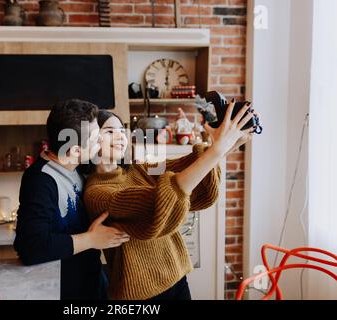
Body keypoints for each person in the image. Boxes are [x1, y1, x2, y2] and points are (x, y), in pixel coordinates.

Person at [83, 100, 255, 300]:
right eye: (110, 131)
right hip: (141, 293)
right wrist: (217, 150)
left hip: (176, 276)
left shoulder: (138, 169)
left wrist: (224, 147)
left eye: (122, 130)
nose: (120, 136)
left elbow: (184, 167)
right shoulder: (96, 193)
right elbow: (155, 203)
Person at [13, 99, 130, 300]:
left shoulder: (77, 167)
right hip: (64, 291)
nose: (101, 142)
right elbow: (31, 247)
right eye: (96, 140)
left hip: (93, 282)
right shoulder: (40, 180)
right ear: (75, 150)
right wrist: (91, 239)